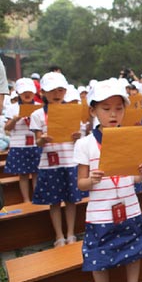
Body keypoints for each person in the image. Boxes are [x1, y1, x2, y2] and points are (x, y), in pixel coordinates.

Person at [74, 78, 142, 282]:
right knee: (99, 256)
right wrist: (91, 180)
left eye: (118, 108)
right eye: (106, 108)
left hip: (130, 206)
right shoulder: (85, 144)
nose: (113, 114)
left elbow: (133, 178)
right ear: (93, 111)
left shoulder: (129, 138)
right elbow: (80, 184)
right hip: (100, 212)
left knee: (134, 250)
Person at [30, 72, 83, 247]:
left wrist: (77, 136)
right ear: (43, 92)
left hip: (69, 161)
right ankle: (59, 235)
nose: (56, 93)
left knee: (70, 200)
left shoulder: (73, 111)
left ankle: (70, 233)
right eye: (52, 90)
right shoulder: (37, 115)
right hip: (49, 163)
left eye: (60, 90)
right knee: (54, 201)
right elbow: (37, 142)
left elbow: (80, 137)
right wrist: (42, 140)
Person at [3, 78, 42, 202]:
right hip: (19, 145)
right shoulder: (12, 108)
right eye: (24, 91)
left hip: (36, 144)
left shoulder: (40, 107)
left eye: (30, 91)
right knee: (23, 175)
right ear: (18, 92)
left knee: (36, 173)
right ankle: (26, 199)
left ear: (34, 92)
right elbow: (7, 128)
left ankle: (36, 198)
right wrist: (15, 119)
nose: (27, 94)